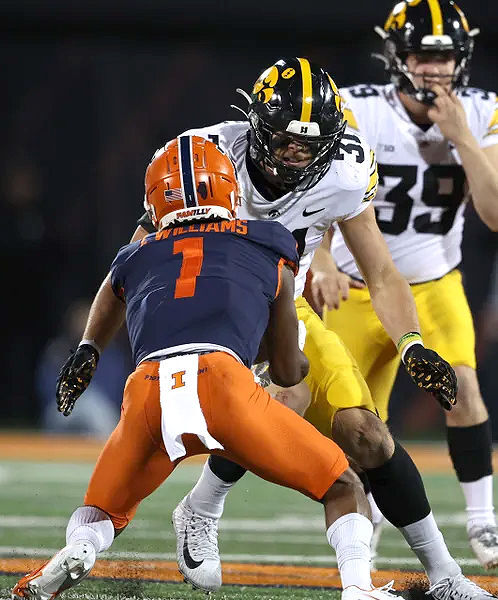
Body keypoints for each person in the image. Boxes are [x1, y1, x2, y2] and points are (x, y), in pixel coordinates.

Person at [51, 59, 489, 600]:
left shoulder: (346, 171)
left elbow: (380, 270)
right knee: (285, 394)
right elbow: (137, 259)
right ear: (255, 123)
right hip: (219, 313)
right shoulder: (208, 157)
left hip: (286, 305)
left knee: (368, 435)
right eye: (283, 140)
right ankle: (204, 509)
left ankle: (445, 575)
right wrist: (91, 345)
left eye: (309, 146)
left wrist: (413, 342)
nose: (294, 155)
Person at [12, 136, 402, 600]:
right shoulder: (269, 241)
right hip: (223, 383)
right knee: (342, 486)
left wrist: (89, 348)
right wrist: (286, 366)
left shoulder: (136, 255)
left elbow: (111, 290)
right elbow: (286, 368)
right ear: (229, 191)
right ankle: (358, 588)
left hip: (148, 389)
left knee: (101, 512)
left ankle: (79, 547)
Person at [310, 0, 498, 570]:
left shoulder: (483, 112)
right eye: (422, 54)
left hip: (434, 283)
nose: (434, 69)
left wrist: (461, 136)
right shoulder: (356, 108)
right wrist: (318, 256)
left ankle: (483, 520)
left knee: (463, 386)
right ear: (397, 56)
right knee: (350, 421)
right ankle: (210, 504)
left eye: (444, 57)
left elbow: (494, 215)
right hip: (356, 282)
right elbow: (314, 187)